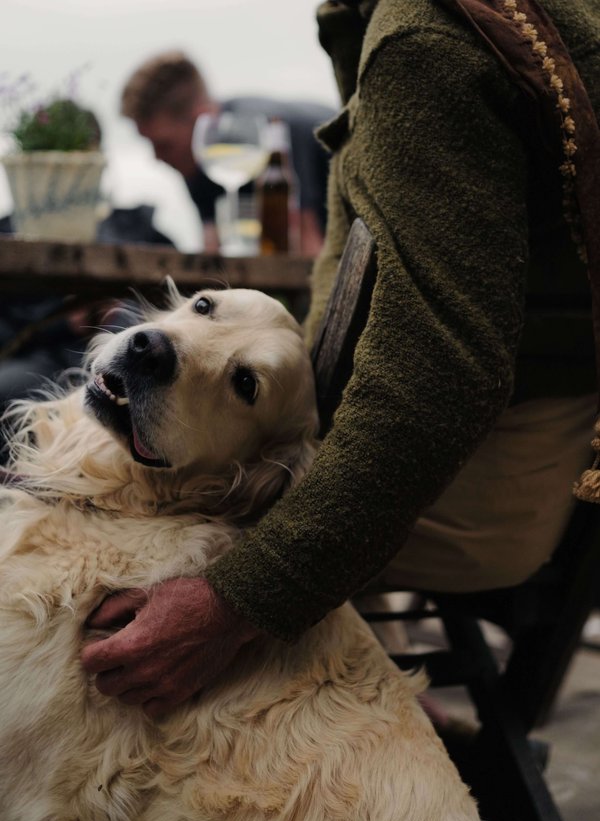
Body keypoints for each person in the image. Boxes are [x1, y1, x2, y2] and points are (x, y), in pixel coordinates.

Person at [82, 0, 600, 718]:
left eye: (149, 136)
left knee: (142, 500)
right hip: (535, 482)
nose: (153, 152)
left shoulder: (425, 41)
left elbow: (435, 387)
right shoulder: (421, 31)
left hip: (482, 502)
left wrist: (239, 601)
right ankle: (390, 703)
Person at [119, 51, 335, 256]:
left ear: (201, 121)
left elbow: (310, 247)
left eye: (164, 144)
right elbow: (214, 249)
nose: (157, 157)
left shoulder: (269, 132)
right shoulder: (197, 162)